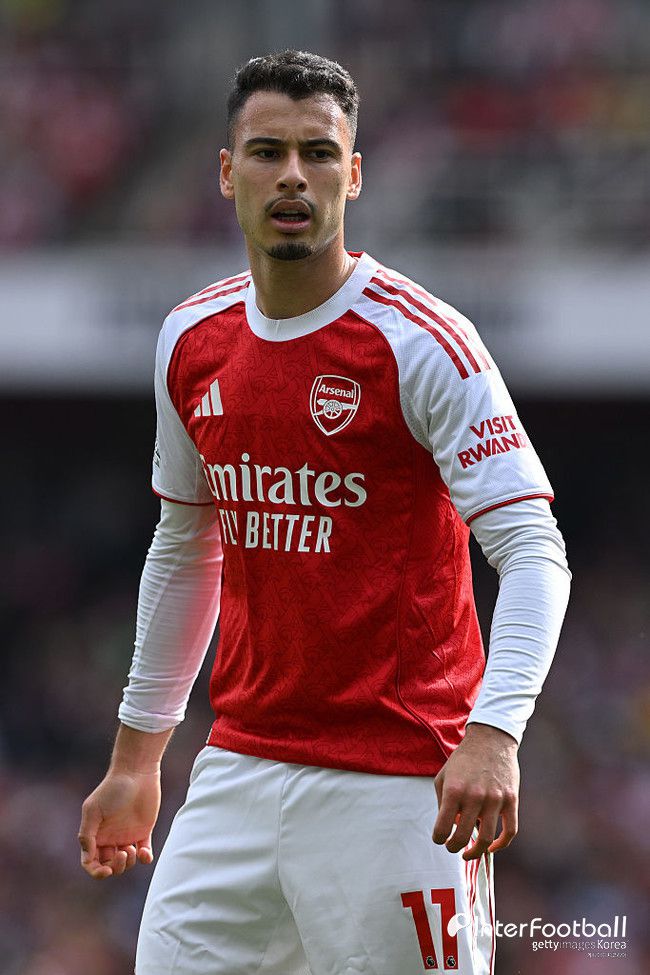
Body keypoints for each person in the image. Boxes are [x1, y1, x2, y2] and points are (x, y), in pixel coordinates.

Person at [78, 50, 570, 975]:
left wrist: (495, 732)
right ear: (227, 173)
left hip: (401, 781)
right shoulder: (192, 338)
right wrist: (137, 758)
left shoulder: (424, 342)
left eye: (319, 152)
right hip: (238, 767)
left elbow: (534, 550)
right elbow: (186, 545)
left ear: (356, 172)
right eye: (267, 151)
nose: (293, 175)